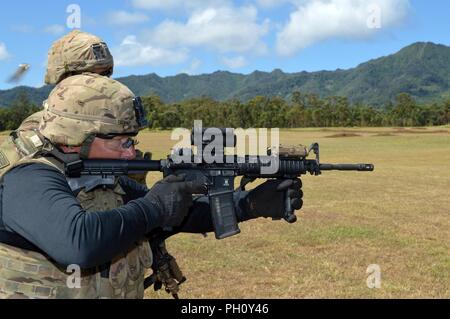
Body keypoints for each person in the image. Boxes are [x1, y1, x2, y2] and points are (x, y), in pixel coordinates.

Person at [0, 73, 303, 299]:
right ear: (81, 135)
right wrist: (154, 207)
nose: (131, 152)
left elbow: (168, 216)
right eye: (123, 142)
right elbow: (80, 242)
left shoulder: (98, 174)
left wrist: (247, 205)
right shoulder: (27, 176)